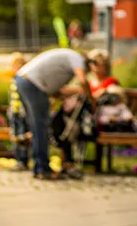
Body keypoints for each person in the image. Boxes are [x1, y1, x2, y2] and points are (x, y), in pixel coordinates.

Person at [14, 48, 92, 180]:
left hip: (25, 81)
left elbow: (57, 92)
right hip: (33, 84)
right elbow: (83, 81)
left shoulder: (66, 59)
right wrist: (91, 99)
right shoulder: (77, 58)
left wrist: (74, 93)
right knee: (41, 127)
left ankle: (39, 166)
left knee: (38, 127)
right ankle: (42, 169)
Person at [7, 53, 29, 171]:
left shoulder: (24, 79)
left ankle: (23, 160)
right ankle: (18, 159)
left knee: (22, 135)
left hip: (22, 113)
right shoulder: (14, 79)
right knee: (15, 135)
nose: (15, 67)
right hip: (14, 112)